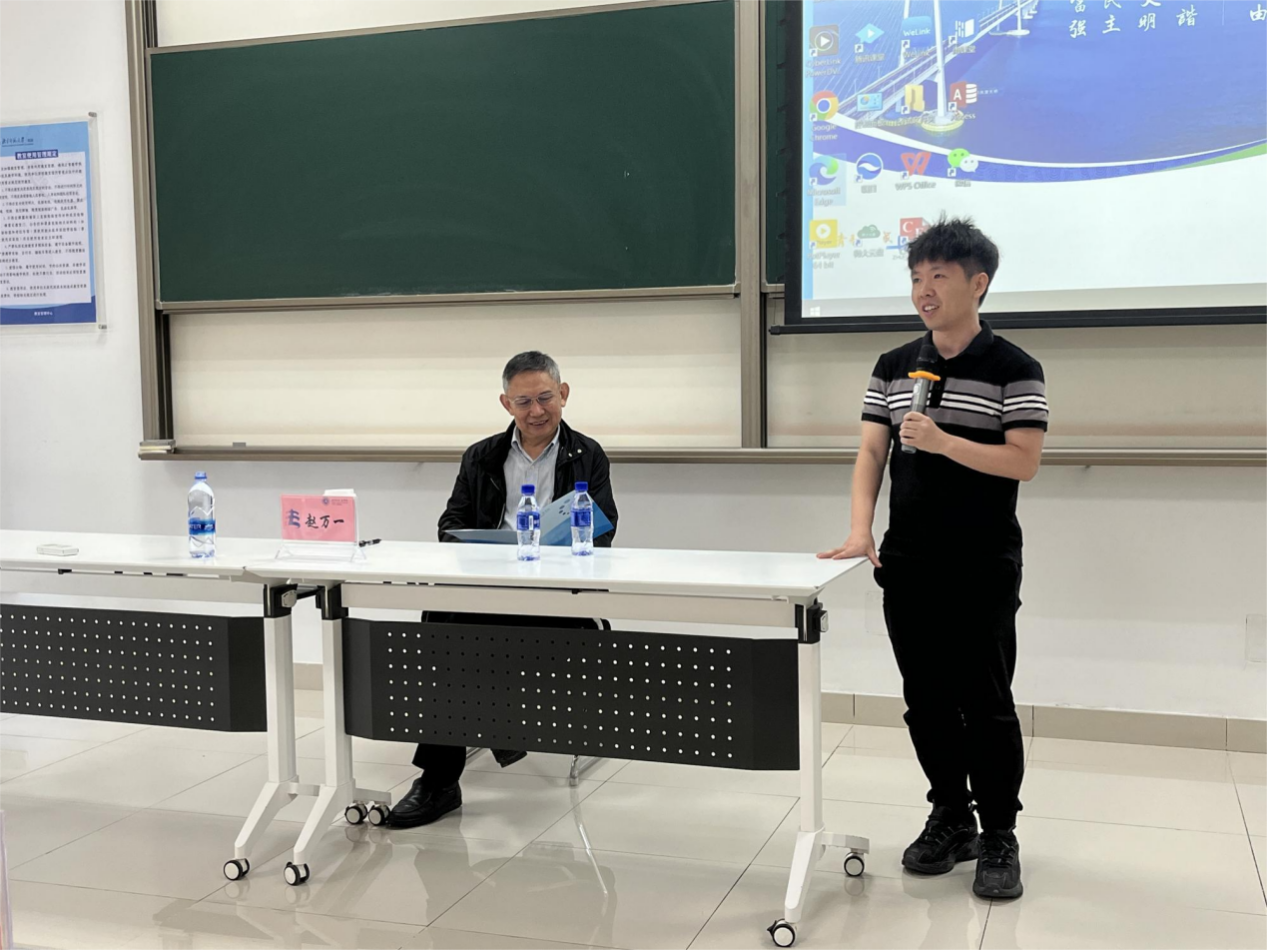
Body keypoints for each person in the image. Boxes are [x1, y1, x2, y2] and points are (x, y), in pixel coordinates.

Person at [819, 218, 1048, 900]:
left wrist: (945, 442)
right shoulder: (893, 365)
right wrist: (860, 529)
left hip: (981, 560)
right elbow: (872, 451)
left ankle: (999, 833)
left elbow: (1023, 461)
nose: (924, 290)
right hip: (909, 558)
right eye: (916, 277)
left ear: (978, 283)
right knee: (925, 700)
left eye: (938, 277)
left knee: (986, 702)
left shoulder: (1014, 367)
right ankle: (951, 815)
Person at [387, 350, 619, 828]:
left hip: (555, 595)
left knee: (466, 639)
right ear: (505, 403)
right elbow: (450, 525)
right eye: (523, 401)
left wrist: (556, 551)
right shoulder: (482, 455)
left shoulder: (587, 454)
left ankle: (481, 743)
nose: (536, 411)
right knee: (442, 625)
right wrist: (485, 550)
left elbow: (604, 530)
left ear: (564, 394)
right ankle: (441, 781)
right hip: (489, 584)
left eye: (545, 398)